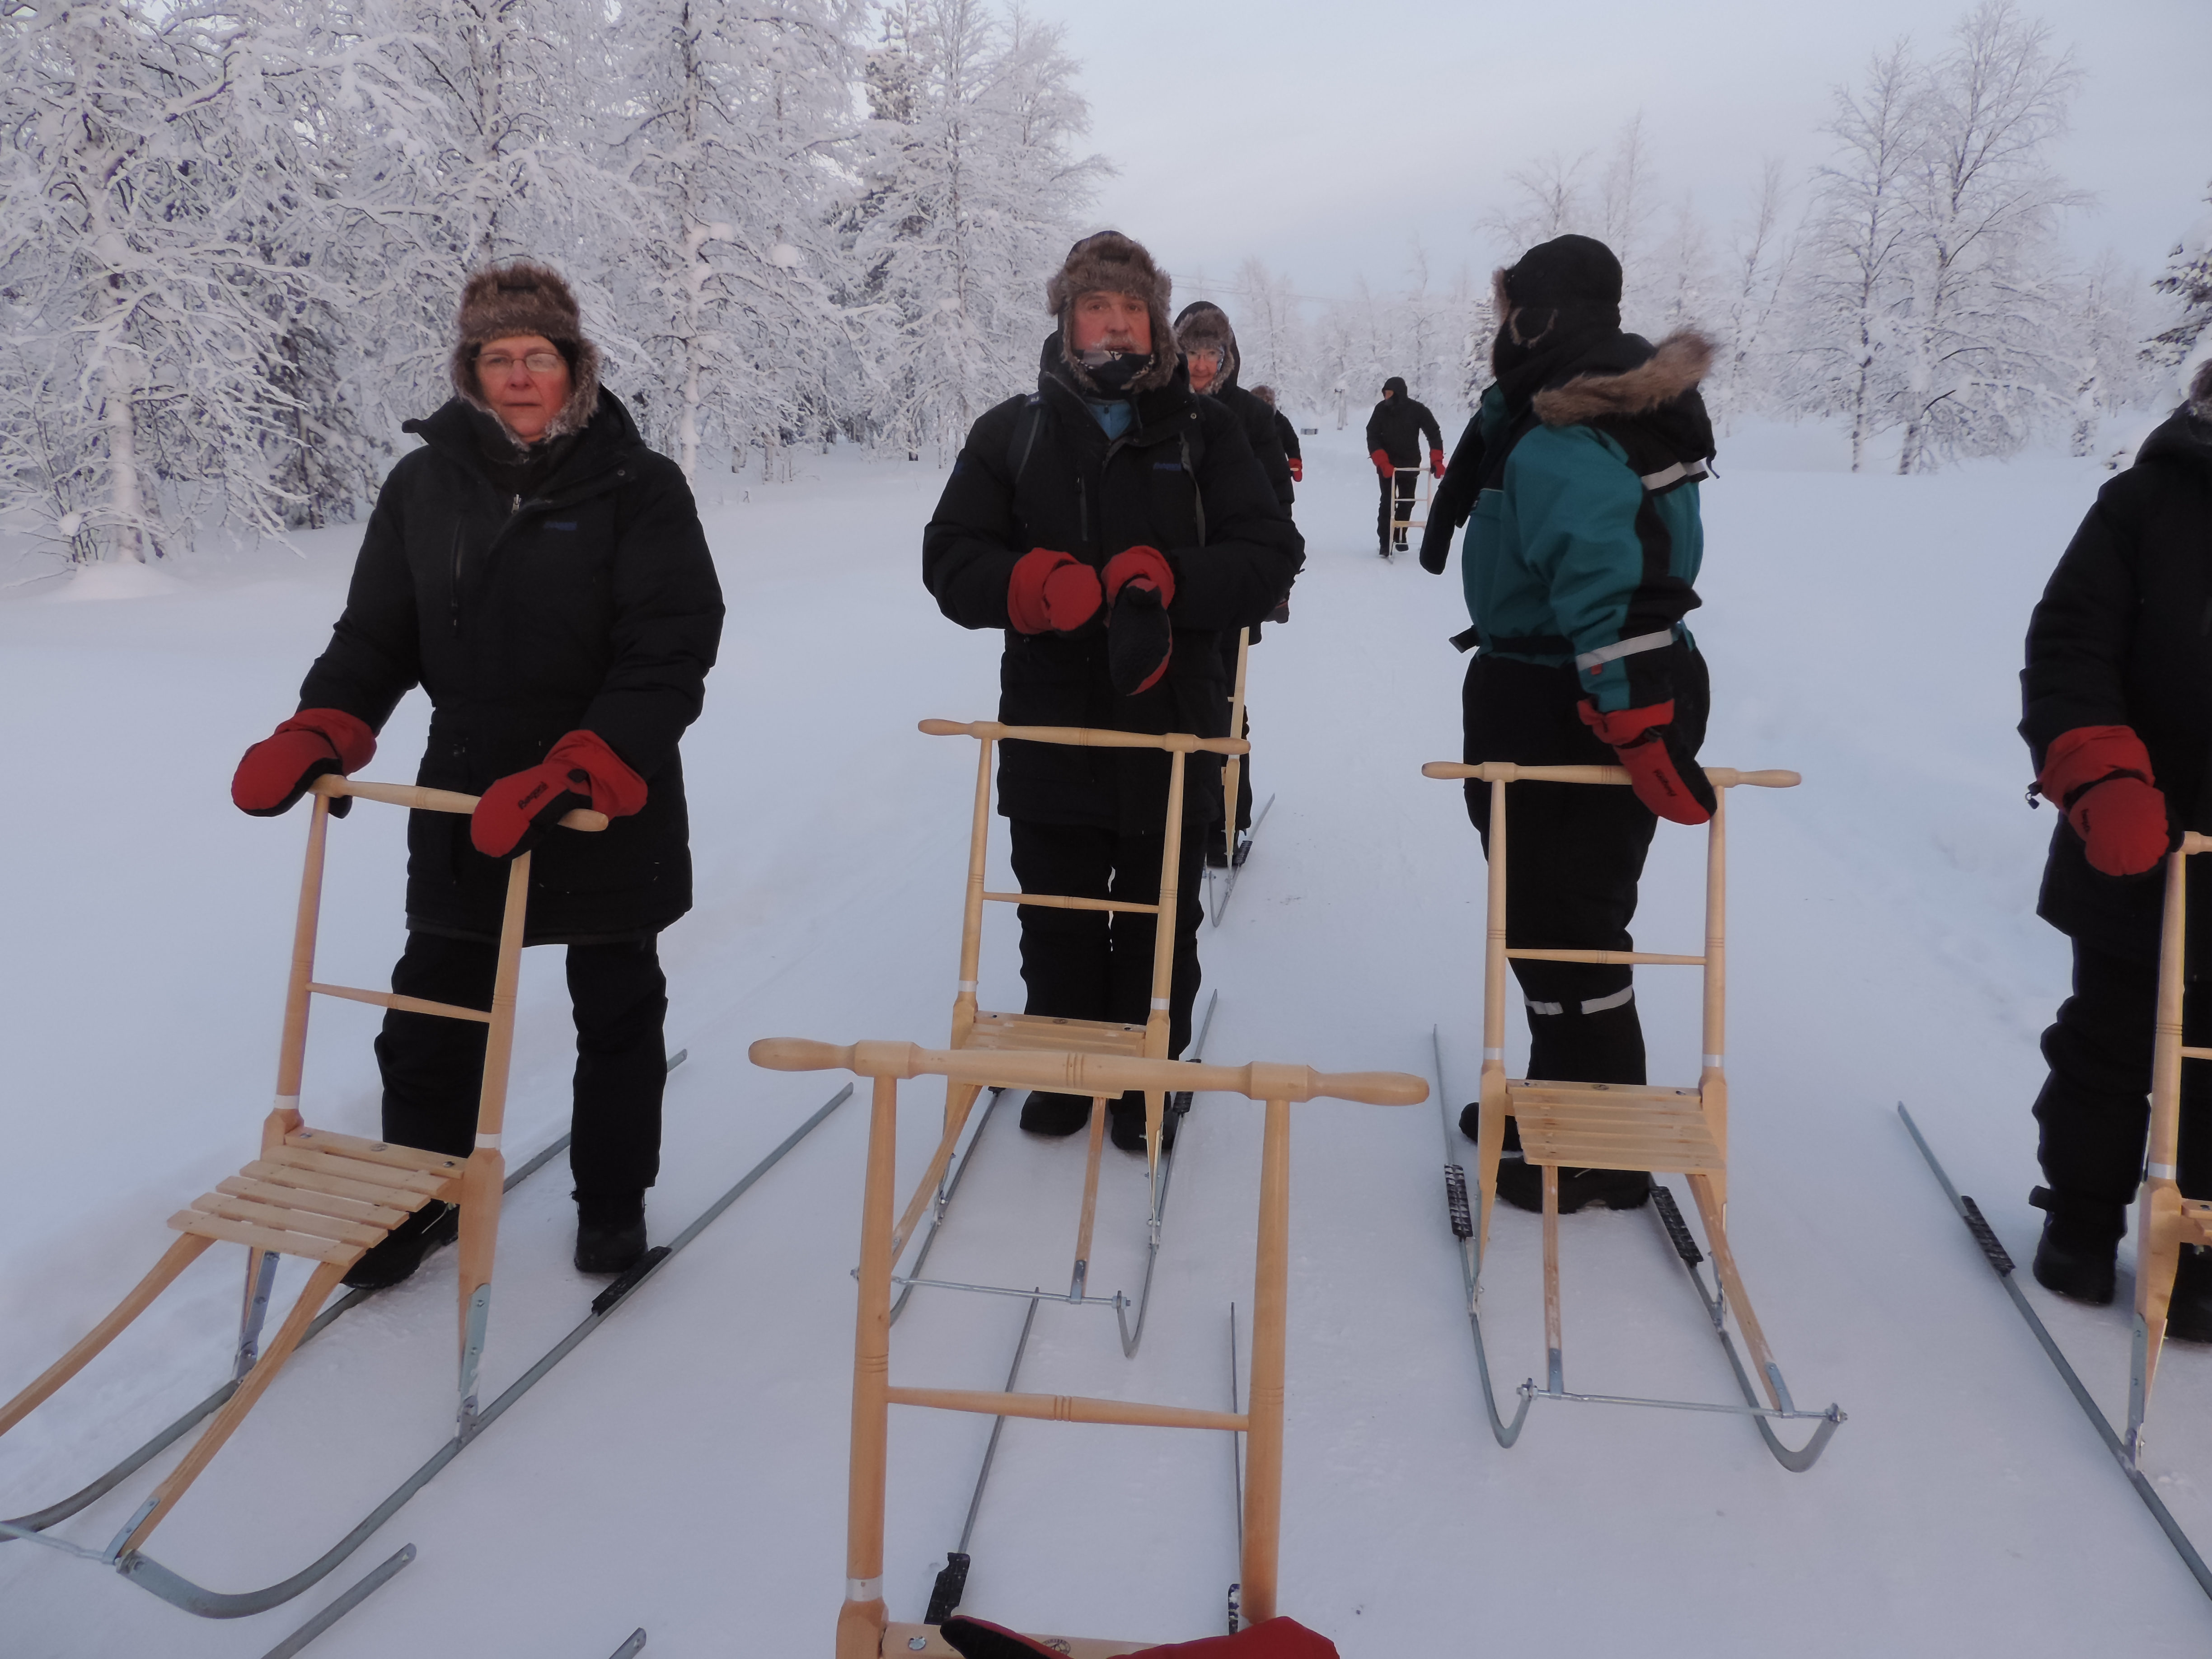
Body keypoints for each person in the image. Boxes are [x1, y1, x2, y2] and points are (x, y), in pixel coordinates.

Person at [230, 262, 725, 1284]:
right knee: (431, 1011)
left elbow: (669, 647)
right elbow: (377, 634)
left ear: (574, 365)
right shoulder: (423, 486)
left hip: (598, 795)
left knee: (616, 1003)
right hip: (465, 790)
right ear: (470, 370)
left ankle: (611, 1203)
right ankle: (416, 1194)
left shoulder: (640, 486)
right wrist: (325, 722)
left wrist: (584, 766)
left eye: (536, 356)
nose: (517, 377)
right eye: (495, 359)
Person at [923, 232, 1304, 1152]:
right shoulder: (1011, 431)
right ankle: (1063, 1059)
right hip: (1050, 713)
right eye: (1100, 306)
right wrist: (1028, 586)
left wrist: (1171, 578)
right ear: (1068, 319)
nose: (1117, 323)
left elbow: (1268, 560)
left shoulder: (1208, 434)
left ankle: (1149, 1074)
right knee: (1053, 903)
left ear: (1157, 327)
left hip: (1170, 713)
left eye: (1134, 310)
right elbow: (951, 560)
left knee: (1157, 909)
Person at [1417, 234, 1716, 1214]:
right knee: (1550, 913)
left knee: (1567, 922)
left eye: (1512, 309)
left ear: (1541, 317)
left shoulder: (1570, 432)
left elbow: (1608, 575)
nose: (1502, 329)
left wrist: (1634, 719)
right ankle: (1563, 1101)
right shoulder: (1584, 404)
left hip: (1575, 694)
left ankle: (1599, 1147)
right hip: (1550, 684)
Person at [2018, 359, 2212, 1333]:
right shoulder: (2147, 501)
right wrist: (2100, 774)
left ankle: (2202, 1244)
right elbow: (2069, 646)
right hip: (2144, 833)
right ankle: (2083, 1220)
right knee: (2112, 1032)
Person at [1173, 301, 1295, 867]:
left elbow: (1277, 498)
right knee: (1174, 698)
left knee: (1225, 698)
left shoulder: (1249, 416)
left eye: (1210, 353)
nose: (1200, 365)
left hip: (1228, 580)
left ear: (1228, 356)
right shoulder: (1160, 409)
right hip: (1168, 581)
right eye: (1191, 353)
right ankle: (1177, 815)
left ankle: (1225, 823)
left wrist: (1275, 581)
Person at [1365, 375, 1442, 557]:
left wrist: (1437, 460)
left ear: (1399, 394)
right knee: (1387, 501)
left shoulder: (1417, 410)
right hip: (1387, 466)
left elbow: (1433, 431)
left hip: (1410, 464)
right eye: (1385, 394)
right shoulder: (1380, 410)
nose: (1386, 398)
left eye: (1390, 394)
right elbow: (1372, 436)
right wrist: (1382, 462)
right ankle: (1385, 541)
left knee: (1408, 501)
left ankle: (1400, 535)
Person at [1251, 385, 1302, 491]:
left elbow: (1292, 444)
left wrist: (1295, 465)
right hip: (1252, 475)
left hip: (1278, 476)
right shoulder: (1246, 421)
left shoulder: (1281, 422)